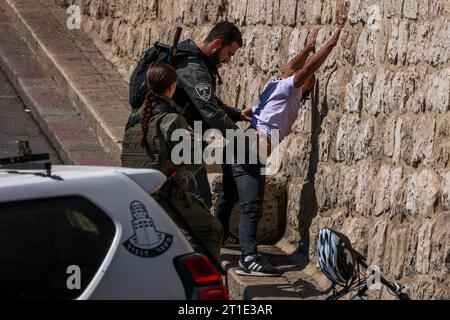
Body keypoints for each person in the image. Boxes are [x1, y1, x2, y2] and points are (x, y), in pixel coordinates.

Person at [215, 24, 345, 277]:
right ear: (305, 85)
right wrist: (330, 44)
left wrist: (307, 47)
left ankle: (215, 239)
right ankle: (249, 259)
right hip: (252, 147)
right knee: (251, 205)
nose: (308, 81)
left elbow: (293, 66)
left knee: (228, 197)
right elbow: (305, 68)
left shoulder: (276, 84)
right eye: (308, 81)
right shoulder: (289, 88)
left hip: (239, 141)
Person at [121, 64, 223, 259]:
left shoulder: (134, 118)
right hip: (166, 197)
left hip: (135, 195)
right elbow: (194, 163)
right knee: (211, 228)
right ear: (172, 87)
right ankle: (203, 280)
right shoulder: (173, 120)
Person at [172, 21, 252, 211]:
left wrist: (236, 114)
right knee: (198, 202)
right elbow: (209, 111)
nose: (229, 60)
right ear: (217, 44)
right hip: (180, 143)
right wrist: (241, 138)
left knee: (189, 203)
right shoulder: (195, 68)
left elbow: (206, 100)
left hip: (185, 142)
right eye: (229, 54)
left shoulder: (198, 63)